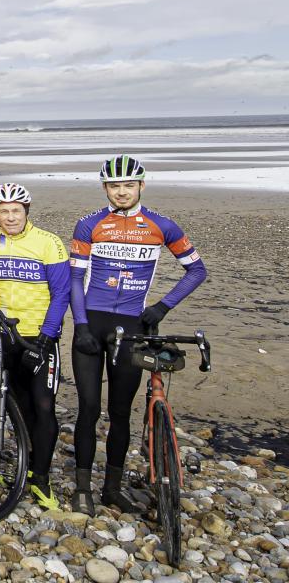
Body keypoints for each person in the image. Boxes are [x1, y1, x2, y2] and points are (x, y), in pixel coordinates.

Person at [69, 155, 207, 515]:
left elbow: (196, 270)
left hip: (132, 327)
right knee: (88, 409)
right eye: (114, 185)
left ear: (141, 185)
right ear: (105, 188)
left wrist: (162, 307)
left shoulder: (162, 225)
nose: (122, 192)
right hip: (91, 324)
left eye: (128, 185)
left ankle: (111, 489)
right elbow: (74, 279)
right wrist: (80, 325)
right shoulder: (89, 224)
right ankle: (82, 489)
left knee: (119, 412)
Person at [0, 183, 70, 509]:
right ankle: (26, 465)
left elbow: (62, 293)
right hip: (6, 335)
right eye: (4, 211)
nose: (10, 217)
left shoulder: (49, 243)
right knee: (20, 405)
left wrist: (47, 336)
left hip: (39, 336)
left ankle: (42, 478)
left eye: (16, 210)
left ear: (26, 211)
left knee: (43, 406)